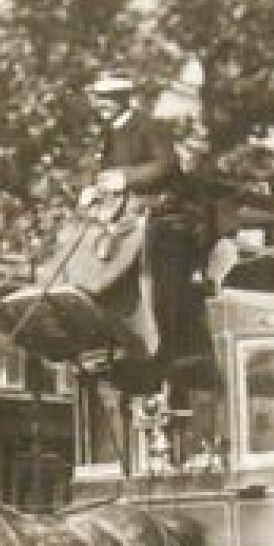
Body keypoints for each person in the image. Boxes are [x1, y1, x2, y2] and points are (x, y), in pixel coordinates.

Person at [85, 73, 210, 390]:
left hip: (161, 214)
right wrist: (92, 188)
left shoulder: (148, 126)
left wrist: (125, 178)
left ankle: (156, 341)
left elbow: (165, 165)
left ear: (122, 98)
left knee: (153, 260)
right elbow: (105, 172)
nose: (99, 105)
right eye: (99, 98)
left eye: (106, 98)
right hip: (121, 214)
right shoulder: (110, 132)